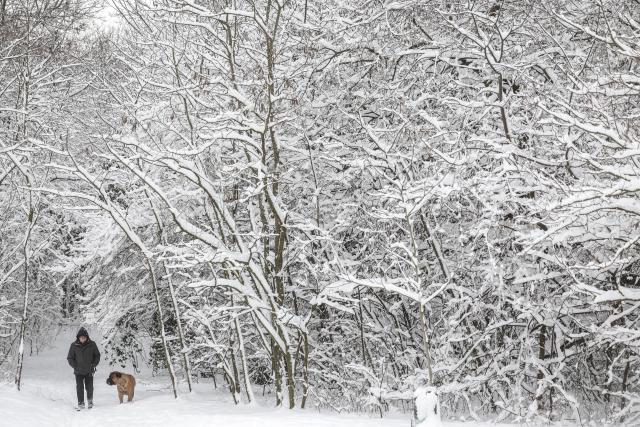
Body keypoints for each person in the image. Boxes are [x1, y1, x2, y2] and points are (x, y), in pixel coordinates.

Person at [66, 327, 101, 410]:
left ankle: (90, 401)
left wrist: (94, 364)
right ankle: (81, 403)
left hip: (89, 370)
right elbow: (70, 358)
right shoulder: (73, 345)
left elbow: (97, 355)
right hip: (78, 371)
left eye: (84, 337)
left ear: (87, 337)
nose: (83, 338)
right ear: (78, 337)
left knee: (89, 387)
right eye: (81, 337)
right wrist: (75, 366)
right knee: (79, 387)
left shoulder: (92, 344)